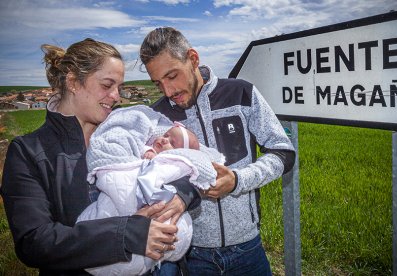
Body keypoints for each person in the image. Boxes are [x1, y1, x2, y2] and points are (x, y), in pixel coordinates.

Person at [0, 38, 200, 275]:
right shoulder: (29, 152)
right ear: (73, 82)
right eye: (107, 85)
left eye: (119, 87)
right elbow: (34, 242)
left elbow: (185, 161)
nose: (116, 96)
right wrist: (126, 234)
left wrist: (183, 194)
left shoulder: (128, 130)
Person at [139, 27, 296, 275]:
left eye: (172, 76)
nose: (168, 91)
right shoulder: (157, 116)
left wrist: (237, 180)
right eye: (158, 83)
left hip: (248, 248)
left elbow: (283, 153)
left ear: (192, 58)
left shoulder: (241, 93)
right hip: (192, 255)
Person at [77, 105, 224, 275]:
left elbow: (179, 174)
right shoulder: (147, 146)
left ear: (181, 152)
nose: (164, 140)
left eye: (172, 142)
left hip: (156, 209)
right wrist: (147, 153)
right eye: (166, 135)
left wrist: (182, 192)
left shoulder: (175, 161)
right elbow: (134, 156)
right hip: (128, 214)